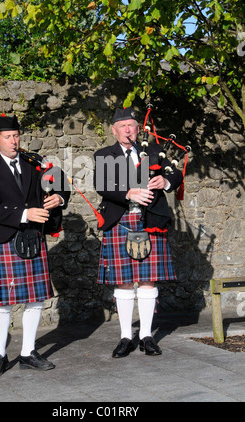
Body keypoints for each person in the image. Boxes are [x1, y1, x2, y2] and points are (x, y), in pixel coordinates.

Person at [0, 115, 70, 377]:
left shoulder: (34, 164)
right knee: (3, 303)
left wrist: (58, 199)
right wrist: (25, 213)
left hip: (33, 238)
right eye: (7, 137)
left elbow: (60, 182)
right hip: (8, 239)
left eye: (16, 135)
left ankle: (28, 352)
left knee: (36, 299)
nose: (14, 141)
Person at [93, 107, 183, 358]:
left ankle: (146, 335)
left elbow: (174, 173)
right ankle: (124, 336)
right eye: (122, 126)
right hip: (120, 220)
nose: (128, 130)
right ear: (114, 130)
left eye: (131, 125)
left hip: (150, 219)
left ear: (138, 128)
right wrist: (128, 193)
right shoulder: (105, 155)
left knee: (147, 280)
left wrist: (164, 182)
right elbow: (102, 184)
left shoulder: (155, 151)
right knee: (122, 282)